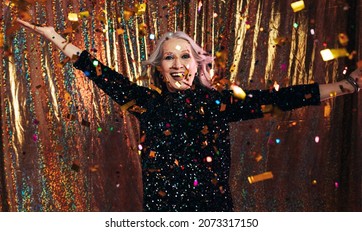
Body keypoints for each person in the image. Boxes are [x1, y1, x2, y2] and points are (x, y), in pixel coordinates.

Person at [17, 19, 361, 212]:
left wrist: (345, 86)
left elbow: (281, 98)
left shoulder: (219, 104)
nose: (178, 65)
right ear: (159, 68)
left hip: (214, 214)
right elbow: (102, 74)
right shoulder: (146, 103)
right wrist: (55, 37)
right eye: (169, 58)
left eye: (185, 57)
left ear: (197, 65)